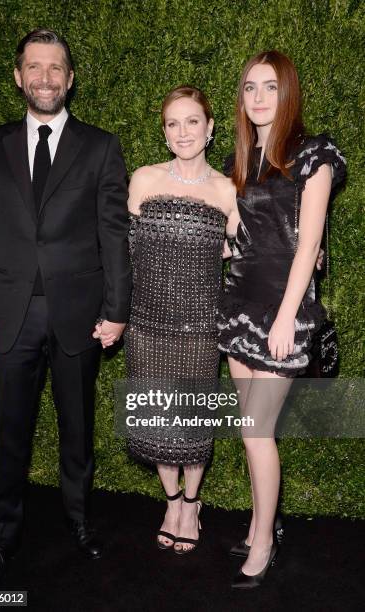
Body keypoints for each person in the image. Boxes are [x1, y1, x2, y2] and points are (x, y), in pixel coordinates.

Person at [0, 29, 131, 589]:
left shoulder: (101, 146)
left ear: (70, 78)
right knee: (8, 434)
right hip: (10, 313)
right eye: (34, 67)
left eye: (55, 68)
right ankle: (2, 538)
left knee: (77, 431)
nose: (45, 77)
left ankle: (80, 523)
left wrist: (117, 309)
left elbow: (114, 235)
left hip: (79, 315)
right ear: (18, 77)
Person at [217, 50, 346, 588]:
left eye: (270, 87)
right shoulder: (239, 160)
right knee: (252, 432)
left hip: (281, 309)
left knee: (256, 432)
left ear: (287, 92)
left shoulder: (313, 152)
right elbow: (233, 234)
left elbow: (309, 239)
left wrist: (288, 316)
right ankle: (257, 523)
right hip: (238, 302)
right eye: (250, 87)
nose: (259, 97)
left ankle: (266, 541)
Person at [122, 86, 237, 554]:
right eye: (173, 123)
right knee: (155, 420)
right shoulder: (144, 180)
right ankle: (171, 501)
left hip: (198, 329)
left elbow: (245, 253)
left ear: (209, 129)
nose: (183, 132)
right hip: (147, 325)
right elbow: (123, 256)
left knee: (190, 425)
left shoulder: (227, 190)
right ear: (165, 133)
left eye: (193, 121)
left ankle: (191, 504)